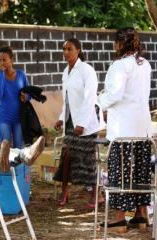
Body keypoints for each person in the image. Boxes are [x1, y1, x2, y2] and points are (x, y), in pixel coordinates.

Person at [98, 27, 152, 232]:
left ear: (120, 44)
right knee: (140, 172)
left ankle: (120, 219)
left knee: (120, 172)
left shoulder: (119, 66)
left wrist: (98, 100)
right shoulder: (144, 64)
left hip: (122, 130)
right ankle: (140, 216)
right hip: (142, 128)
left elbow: (113, 96)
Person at [53, 38, 104, 208]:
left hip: (86, 123)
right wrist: (61, 118)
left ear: (78, 50)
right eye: (64, 49)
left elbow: (90, 99)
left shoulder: (86, 70)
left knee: (86, 161)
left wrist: (81, 123)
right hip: (69, 122)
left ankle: (95, 194)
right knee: (66, 157)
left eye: (69, 49)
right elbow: (66, 100)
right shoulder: (65, 72)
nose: (66, 52)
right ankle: (64, 191)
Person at [0, 46, 29, 149]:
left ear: (11, 60)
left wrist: (26, 97)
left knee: (19, 148)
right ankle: (5, 166)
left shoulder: (21, 75)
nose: (1, 62)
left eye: (4, 60)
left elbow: (29, 93)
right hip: (4, 118)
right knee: (5, 148)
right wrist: (3, 74)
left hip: (19, 118)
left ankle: (19, 166)